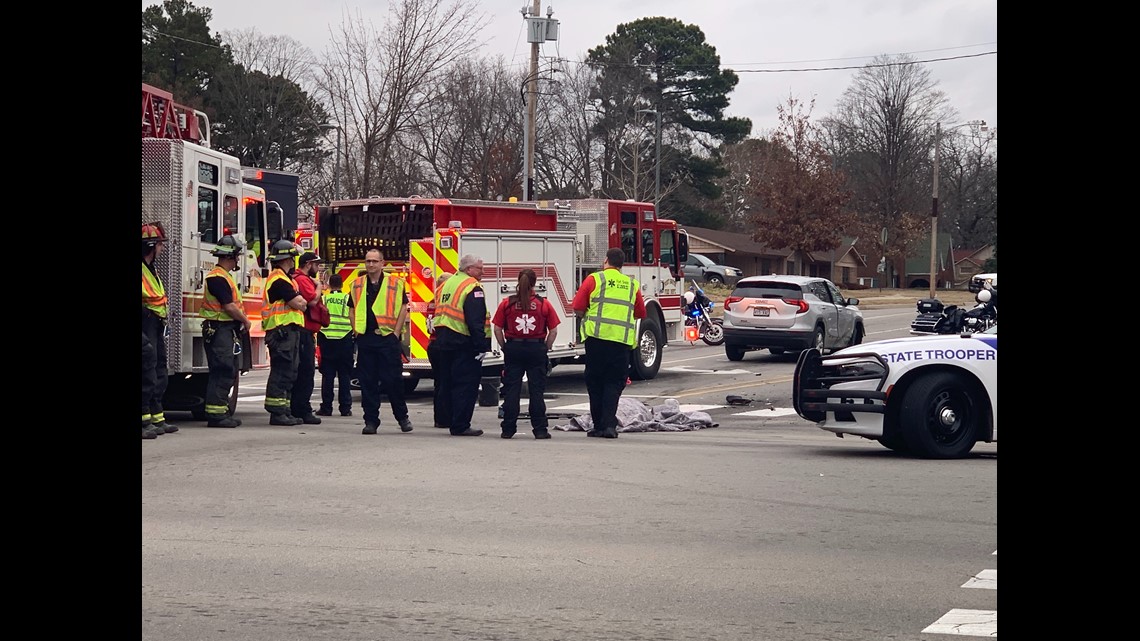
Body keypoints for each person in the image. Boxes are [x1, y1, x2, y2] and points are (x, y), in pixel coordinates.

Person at [572, 247, 646, 439]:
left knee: (595, 382)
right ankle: (609, 426)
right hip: (621, 342)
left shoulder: (595, 279)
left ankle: (598, 426)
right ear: (621, 264)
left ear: (606, 261)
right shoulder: (632, 284)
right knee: (614, 383)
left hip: (596, 340)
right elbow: (641, 313)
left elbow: (578, 306)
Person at [348, 247, 413, 435]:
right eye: (368, 261)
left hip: (387, 339)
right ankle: (370, 421)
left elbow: (403, 307)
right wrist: (356, 331)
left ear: (382, 263)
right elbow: (351, 309)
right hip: (366, 338)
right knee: (367, 382)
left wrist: (396, 332)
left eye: (374, 261)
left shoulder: (395, 283)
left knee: (393, 381)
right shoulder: (357, 284)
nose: (370, 264)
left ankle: (402, 417)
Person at [492, 268, 560, 439]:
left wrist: (504, 346)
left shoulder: (507, 303)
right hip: (536, 349)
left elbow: (497, 328)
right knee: (536, 391)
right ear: (535, 283)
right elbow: (553, 330)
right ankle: (540, 430)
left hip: (513, 349)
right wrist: (546, 347)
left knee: (511, 390)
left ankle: (508, 429)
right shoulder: (544, 304)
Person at [432, 254, 492, 437]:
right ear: (469, 269)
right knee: (466, 385)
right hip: (463, 342)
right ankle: (460, 425)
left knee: (447, 383)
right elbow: (475, 320)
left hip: (444, 340)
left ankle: (447, 419)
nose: (482, 271)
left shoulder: (448, 283)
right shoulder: (472, 287)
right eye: (480, 268)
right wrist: (482, 346)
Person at [199, 235, 252, 428]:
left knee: (226, 369)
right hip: (219, 329)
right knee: (223, 370)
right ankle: (216, 415)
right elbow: (229, 307)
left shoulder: (224, 277)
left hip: (223, 329)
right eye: (237, 256)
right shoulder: (217, 278)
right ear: (230, 256)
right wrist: (245, 320)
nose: (238, 259)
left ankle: (220, 412)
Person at [262, 239, 309, 425]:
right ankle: (277, 412)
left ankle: (285, 410)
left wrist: (301, 301)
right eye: (292, 258)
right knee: (282, 371)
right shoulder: (279, 280)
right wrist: (301, 302)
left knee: (290, 371)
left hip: (289, 331)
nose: (293, 262)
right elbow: (299, 303)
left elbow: (300, 302)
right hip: (281, 332)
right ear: (287, 259)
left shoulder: (285, 279)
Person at [142, 221, 178, 438]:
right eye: (160, 245)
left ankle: (156, 417)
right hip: (145, 321)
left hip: (155, 323)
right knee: (146, 370)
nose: (163, 249)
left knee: (158, 369)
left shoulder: (151, 269)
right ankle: (144, 421)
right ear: (151, 246)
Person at [290, 252, 326, 425]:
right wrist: (319, 286)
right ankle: (302, 409)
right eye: (316, 265)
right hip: (304, 332)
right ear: (308, 264)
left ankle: (297, 408)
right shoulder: (303, 280)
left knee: (302, 372)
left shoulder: (300, 278)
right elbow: (312, 301)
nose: (317, 269)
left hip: (305, 332)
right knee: (305, 373)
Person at [316, 273, 354, 417]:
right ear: (342, 284)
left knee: (328, 375)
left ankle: (326, 407)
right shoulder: (347, 298)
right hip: (344, 339)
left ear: (329, 284)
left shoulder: (324, 298)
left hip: (326, 339)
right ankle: (345, 408)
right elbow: (352, 316)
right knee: (344, 375)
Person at [427, 272, 453, 429]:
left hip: (432, 345)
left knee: (439, 383)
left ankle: (439, 418)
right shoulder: (444, 302)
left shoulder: (432, 301)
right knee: (446, 383)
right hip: (442, 344)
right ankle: (444, 418)